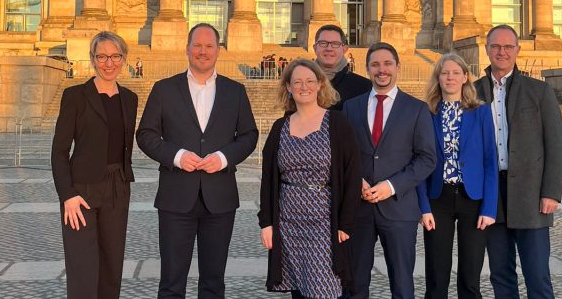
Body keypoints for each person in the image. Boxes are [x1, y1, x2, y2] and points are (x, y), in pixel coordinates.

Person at [136, 23, 259, 299]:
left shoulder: (235, 91)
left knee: (214, 283)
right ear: (187, 49)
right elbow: (145, 134)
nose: (203, 51)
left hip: (220, 200)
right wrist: (177, 156)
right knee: (171, 283)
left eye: (209, 46)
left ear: (218, 51)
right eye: (198, 45)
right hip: (175, 198)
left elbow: (250, 135)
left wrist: (223, 157)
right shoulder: (164, 89)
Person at [474, 25, 562, 299]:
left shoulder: (539, 91)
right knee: (501, 274)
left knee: (537, 274)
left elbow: (555, 144)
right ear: (487, 49)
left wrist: (551, 192)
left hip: (530, 195)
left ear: (517, 50)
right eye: (496, 47)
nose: (501, 52)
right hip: (491, 196)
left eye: (507, 47)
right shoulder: (473, 91)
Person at [259, 58, 362, 298]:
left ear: (319, 85)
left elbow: (352, 174)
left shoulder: (337, 123)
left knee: (324, 289)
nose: (303, 87)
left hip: (325, 224)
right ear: (288, 88)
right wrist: (267, 223)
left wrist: (345, 223)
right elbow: (268, 179)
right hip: (288, 222)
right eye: (297, 82)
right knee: (298, 289)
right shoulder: (279, 127)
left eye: (309, 81)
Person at [343, 42, 437, 299]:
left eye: (387, 64)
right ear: (367, 68)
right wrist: (356, 181)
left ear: (398, 67)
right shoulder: (351, 107)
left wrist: (392, 186)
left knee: (402, 284)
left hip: (399, 207)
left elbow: (427, 158)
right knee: (354, 283)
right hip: (359, 208)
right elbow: (343, 154)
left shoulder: (417, 109)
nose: (381, 70)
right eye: (375, 64)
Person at [51, 31, 139, 299]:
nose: (108, 63)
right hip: (81, 192)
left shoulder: (130, 99)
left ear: (124, 59)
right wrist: (67, 195)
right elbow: (59, 150)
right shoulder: (75, 96)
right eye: (101, 56)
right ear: (92, 59)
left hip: (117, 189)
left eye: (115, 56)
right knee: (83, 269)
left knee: (111, 268)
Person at [417, 53, 498, 299]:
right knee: (436, 275)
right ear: (438, 78)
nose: (450, 77)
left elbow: (490, 162)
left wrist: (489, 209)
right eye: (444, 73)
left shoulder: (481, 113)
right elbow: (419, 162)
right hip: (437, 199)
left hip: (472, 199)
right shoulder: (426, 113)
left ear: (465, 77)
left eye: (455, 72)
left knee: (470, 276)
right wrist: (423, 207)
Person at [313, 24, 371, 110]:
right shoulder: (301, 84)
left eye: (335, 44)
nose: (329, 48)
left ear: (344, 49)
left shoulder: (365, 87)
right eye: (323, 43)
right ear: (315, 48)